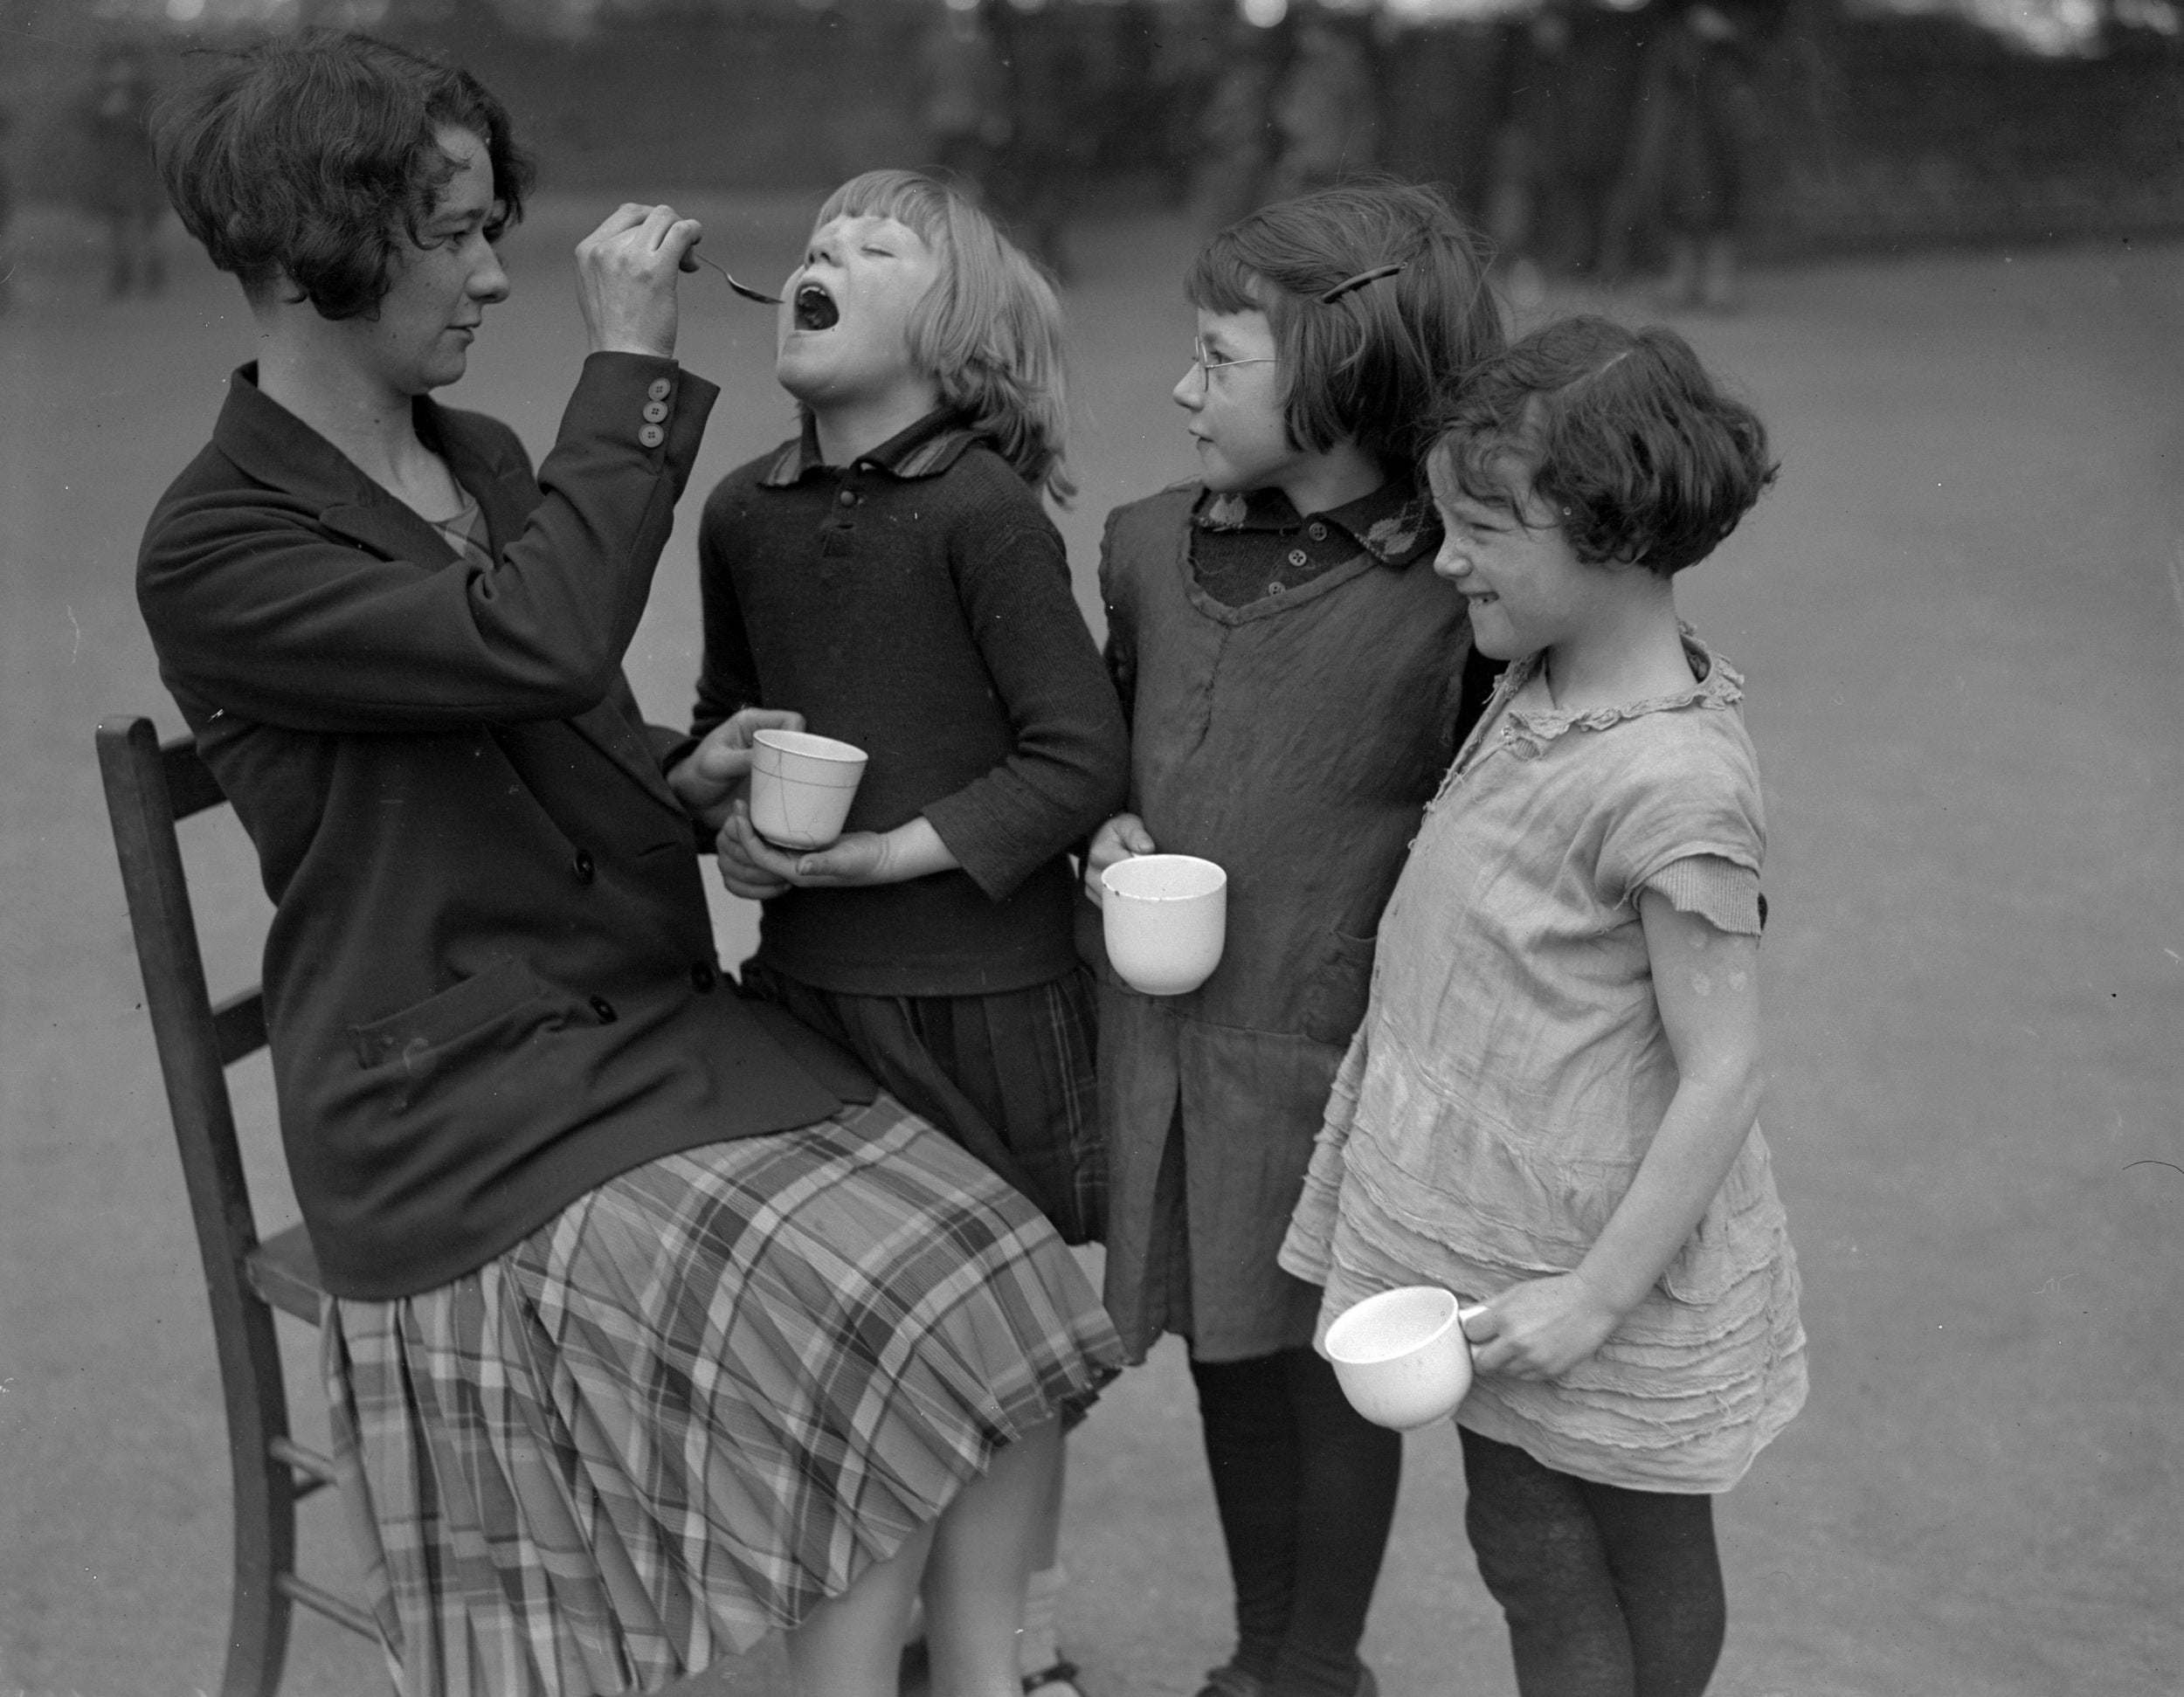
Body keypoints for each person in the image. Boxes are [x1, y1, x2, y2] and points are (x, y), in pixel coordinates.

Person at [137, 34, 1120, 1697]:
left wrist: (679, 773)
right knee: (864, 1309)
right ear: (321, 249)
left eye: (488, 225)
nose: (495, 275)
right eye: (451, 234)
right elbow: (528, 638)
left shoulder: (480, 467)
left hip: (631, 1032)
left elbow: (540, 709)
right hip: (452, 1097)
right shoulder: (219, 542)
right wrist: (637, 372)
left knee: (1000, 1261)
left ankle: (978, 1674)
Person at [1281, 315, 1807, 1697]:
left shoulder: (1675, 783)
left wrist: (1593, 1296)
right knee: (1522, 1538)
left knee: (1631, 1538)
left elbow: (1724, 1069)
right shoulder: (1541, 678)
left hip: (1594, 1260)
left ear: (1609, 530)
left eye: (1483, 527)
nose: (1447, 557)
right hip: (1490, 1233)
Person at [693, 167, 1130, 1697]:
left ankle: (995, 1655)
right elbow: (718, 730)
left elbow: (1077, 757)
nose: (825, 251)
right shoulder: (741, 510)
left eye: (876, 248)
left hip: (982, 1007)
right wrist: (730, 819)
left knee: (1001, 1375)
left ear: (960, 341)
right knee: (846, 1372)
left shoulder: (983, 514)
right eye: (815, 238)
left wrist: (878, 856)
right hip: (811, 1011)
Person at [1083, 181, 1504, 1697]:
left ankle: (1315, 1662)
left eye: (1219, 357)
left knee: (1330, 1369)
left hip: (1340, 1063)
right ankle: (1264, 1651)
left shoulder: (1458, 593)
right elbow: (1099, 750)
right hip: (1178, 1045)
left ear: (1337, 372)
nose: (1183, 390)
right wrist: (1101, 829)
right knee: (1229, 1344)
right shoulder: (1143, 548)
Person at [82, 48, 166, 297]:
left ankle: (152, 275)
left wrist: (129, 115)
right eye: (114, 67)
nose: (120, 72)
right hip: (113, 171)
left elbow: (156, 130)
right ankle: (121, 276)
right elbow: (90, 129)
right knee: (117, 227)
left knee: (146, 228)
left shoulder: (146, 96)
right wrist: (104, 113)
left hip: (142, 170)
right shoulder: (101, 96)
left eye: (125, 66)